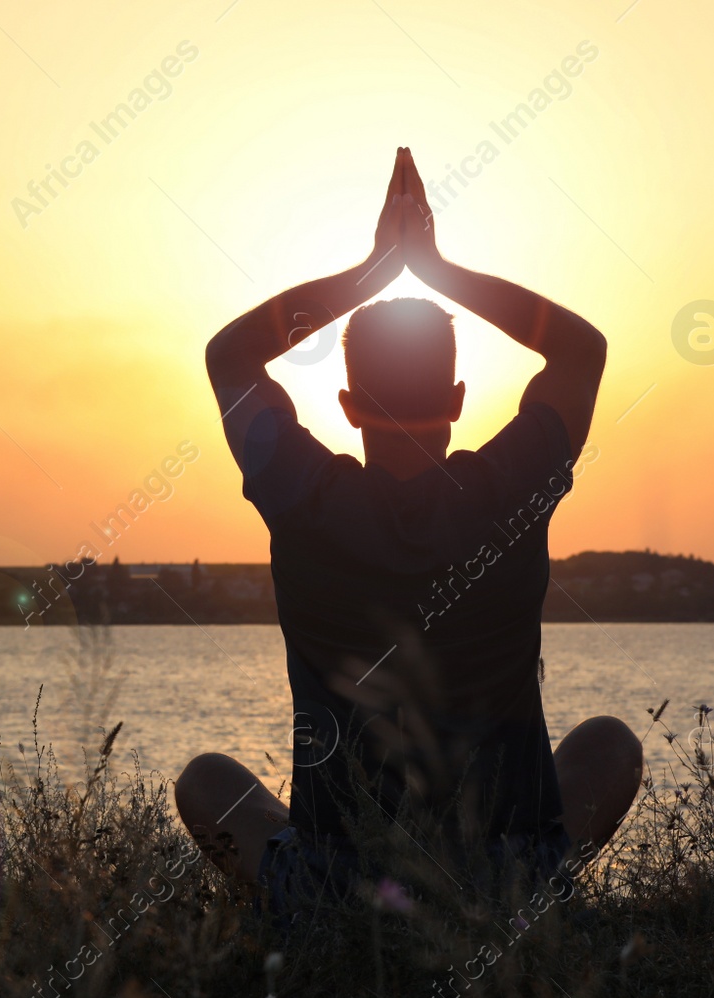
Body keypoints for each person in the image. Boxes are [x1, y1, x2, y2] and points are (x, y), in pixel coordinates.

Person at [176, 148, 643, 918]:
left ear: (349, 403)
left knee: (206, 779)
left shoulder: (304, 498)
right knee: (611, 744)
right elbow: (582, 350)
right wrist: (435, 265)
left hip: (339, 895)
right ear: (459, 397)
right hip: (504, 885)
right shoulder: (509, 489)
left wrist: (370, 272)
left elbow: (228, 355)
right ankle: (531, 897)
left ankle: (333, 885)